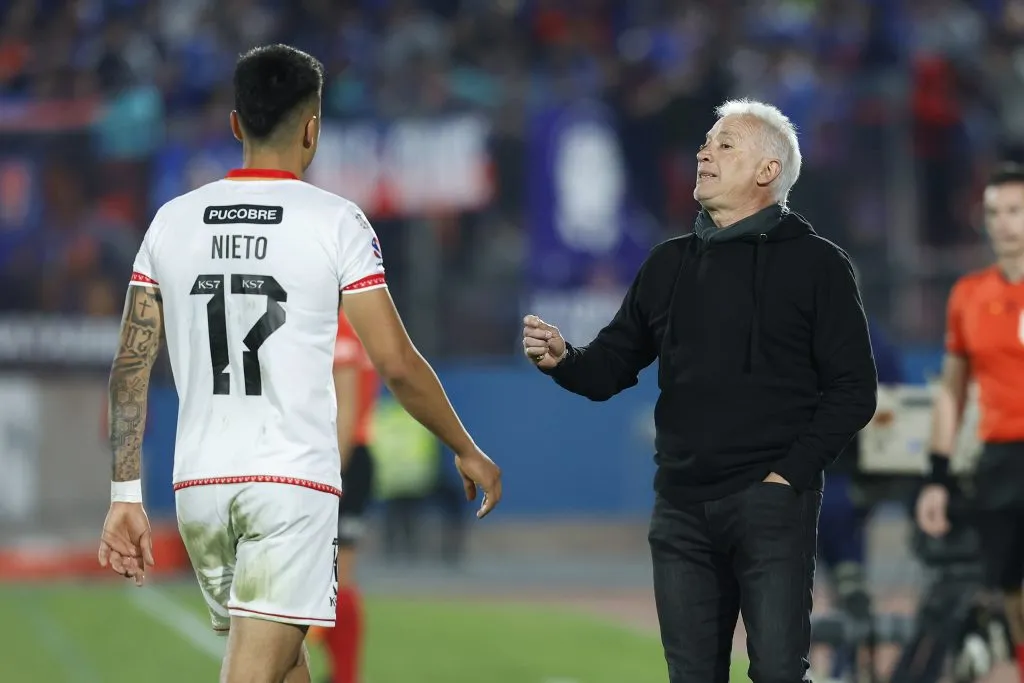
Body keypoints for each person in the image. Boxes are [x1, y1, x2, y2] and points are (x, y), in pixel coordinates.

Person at [97, 44, 502, 683]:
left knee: (286, 665)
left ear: (236, 124)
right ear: (313, 128)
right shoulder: (336, 222)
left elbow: (130, 366)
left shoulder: (170, 223)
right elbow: (394, 361)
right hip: (290, 490)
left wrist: (124, 493)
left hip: (200, 490)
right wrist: (465, 446)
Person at [523, 99, 878, 683]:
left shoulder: (819, 266)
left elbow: (853, 390)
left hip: (772, 504)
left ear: (767, 172)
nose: (703, 152)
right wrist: (565, 360)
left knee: (778, 674)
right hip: (682, 508)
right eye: (706, 143)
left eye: (725, 144)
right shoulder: (669, 264)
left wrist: (790, 475)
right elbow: (609, 368)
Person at [916, 163, 1024, 683]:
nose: (1003, 223)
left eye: (1015, 211)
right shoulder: (969, 296)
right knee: (1009, 588)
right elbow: (952, 391)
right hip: (1000, 460)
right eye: (995, 213)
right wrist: (937, 476)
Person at [317, 310, 378, 683]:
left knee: (336, 578)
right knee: (334, 579)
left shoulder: (337, 324)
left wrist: (326, 482)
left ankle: (344, 675)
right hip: (345, 458)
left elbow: (347, 409)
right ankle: (341, 674)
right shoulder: (353, 321)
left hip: (341, 461)